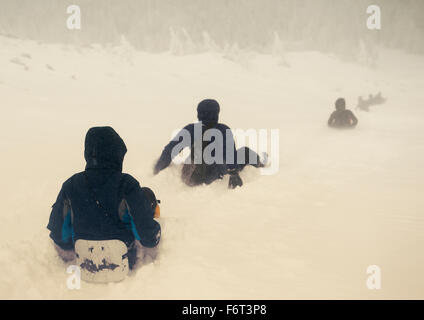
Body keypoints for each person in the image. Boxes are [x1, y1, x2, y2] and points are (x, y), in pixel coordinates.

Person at [47, 126, 161, 269]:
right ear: (116, 154)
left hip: (83, 258)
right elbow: (148, 237)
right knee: (144, 195)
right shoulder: (127, 184)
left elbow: (59, 234)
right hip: (125, 258)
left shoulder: (71, 185)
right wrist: (155, 230)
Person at [153, 99, 265, 189]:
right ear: (217, 114)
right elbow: (230, 155)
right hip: (212, 175)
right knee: (244, 152)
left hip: (189, 177)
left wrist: (158, 168)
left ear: (198, 115)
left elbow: (170, 150)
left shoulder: (190, 129)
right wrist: (234, 174)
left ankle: (197, 166)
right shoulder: (223, 129)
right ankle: (261, 163)